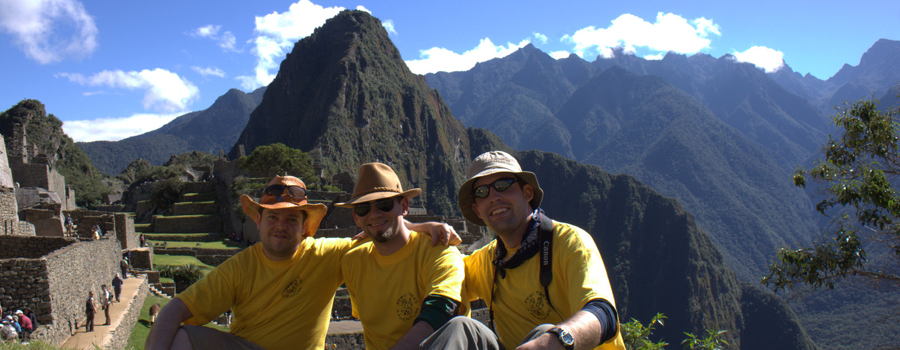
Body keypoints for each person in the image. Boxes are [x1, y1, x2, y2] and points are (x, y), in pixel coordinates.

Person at [145, 175, 458, 350]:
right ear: (258, 220)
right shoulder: (238, 268)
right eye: (273, 217)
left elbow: (379, 231)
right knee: (183, 339)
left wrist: (422, 227)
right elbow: (175, 309)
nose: (281, 225)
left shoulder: (327, 254)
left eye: (291, 218)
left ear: (305, 226)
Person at [421, 151, 625, 350]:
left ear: (527, 193)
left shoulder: (569, 242)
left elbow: (603, 313)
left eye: (503, 186)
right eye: (482, 192)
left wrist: (555, 341)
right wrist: (417, 226)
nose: (493, 197)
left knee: (545, 331)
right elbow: (445, 275)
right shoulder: (487, 260)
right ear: (477, 210)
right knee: (461, 328)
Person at [337, 163, 465, 350]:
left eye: (384, 204)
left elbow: (440, 310)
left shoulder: (439, 252)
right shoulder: (353, 262)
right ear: (356, 218)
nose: (374, 214)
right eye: (364, 209)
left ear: (404, 206)